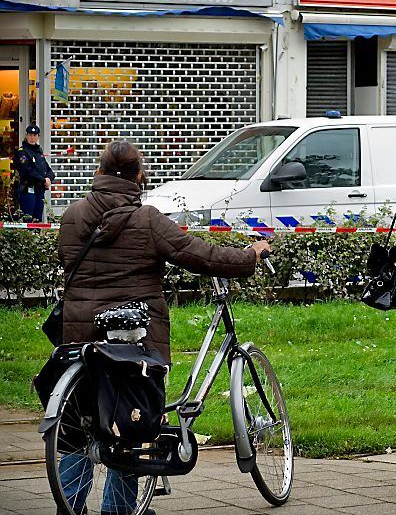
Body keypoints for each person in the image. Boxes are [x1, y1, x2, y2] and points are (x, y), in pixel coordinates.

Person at [57, 140, 268, 515]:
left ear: (99, 171)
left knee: (83, 424)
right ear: (139, 175)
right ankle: (118, 510)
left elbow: (67, 259)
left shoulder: (72, 216)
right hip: (132, 340)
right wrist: (249, 255)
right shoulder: (147, 219)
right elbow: (199, 254)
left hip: (80, 337)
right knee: (130, 422)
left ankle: (69, 503)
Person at [15, 124, 55, 221]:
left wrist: (49, 178)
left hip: (39, 189)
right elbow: (28, 170)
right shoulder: (22, 151)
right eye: (30, 135)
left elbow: (47, 168)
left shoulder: (38, 151)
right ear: (26, 135)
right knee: (28, 219)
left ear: (38, 137)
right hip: (28, 189)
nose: (32, 137)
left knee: (37, 219)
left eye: (35, 135)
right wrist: (43, 180)